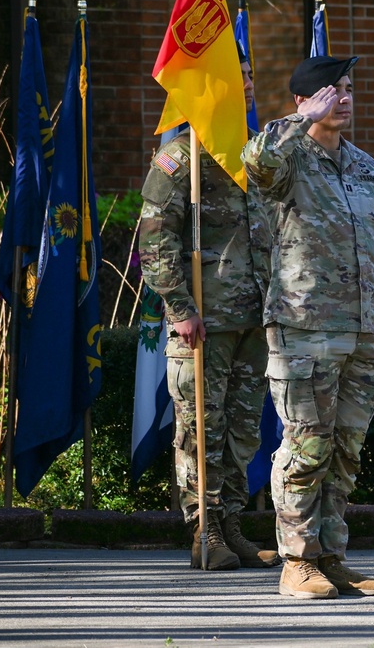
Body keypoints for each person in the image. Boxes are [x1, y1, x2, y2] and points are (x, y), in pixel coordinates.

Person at [242, 55, 374, 599]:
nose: (344, 98)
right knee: (305, 447)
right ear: (306, 100)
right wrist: (301, 121)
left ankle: (331, 556)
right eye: (333, 91)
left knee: (344, 450)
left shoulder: (366, 168)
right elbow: (254, 162)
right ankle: (296, 562)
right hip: (303, 330)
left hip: (362, 332)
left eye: (349, 89)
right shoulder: (289, 159)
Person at [139, 45, 279, 571]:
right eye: (234, 75)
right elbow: (154, 238)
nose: (246, 84)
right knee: (201, 429)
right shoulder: (182, 157)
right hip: (204, 322)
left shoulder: (248, 152)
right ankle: (204, 532)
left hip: (252, 319)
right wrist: (179, 305)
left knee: (242, 432)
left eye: (248, 74)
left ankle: (231, 526)